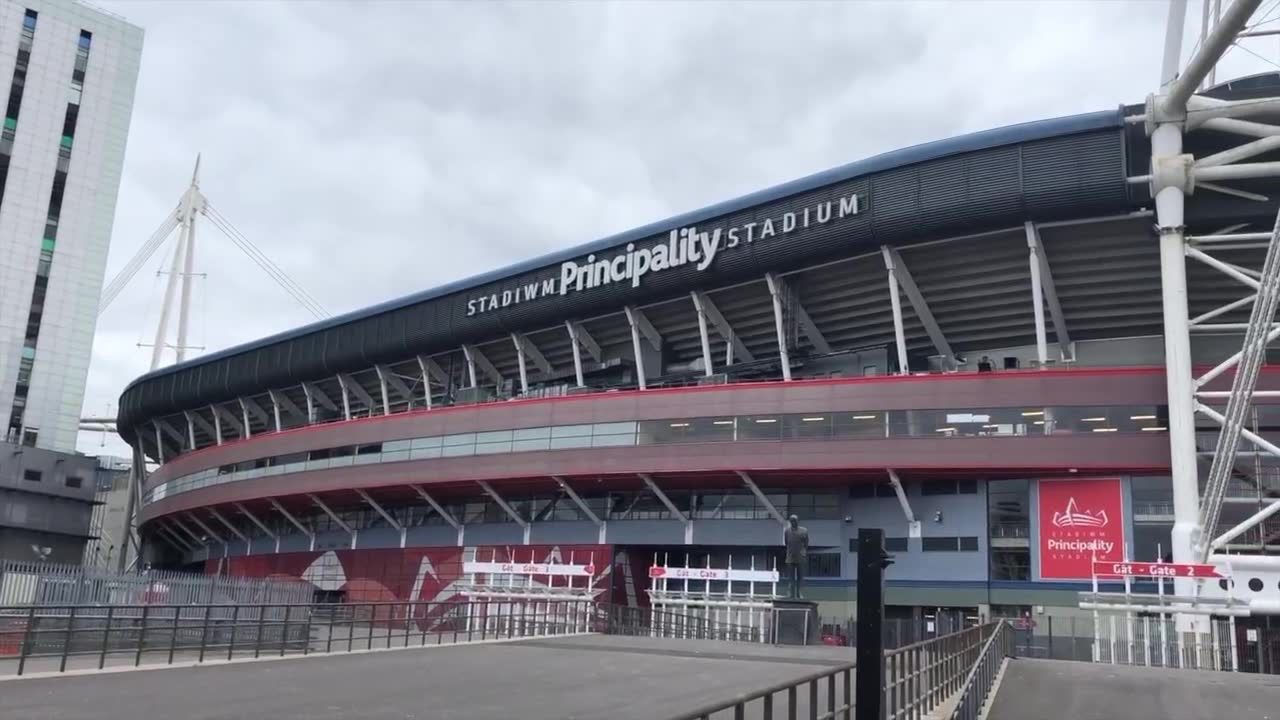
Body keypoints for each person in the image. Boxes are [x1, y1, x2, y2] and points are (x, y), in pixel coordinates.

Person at [783, 514, 809, 599]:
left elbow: (806, 544)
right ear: (790, 522)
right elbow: (786, 542)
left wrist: (803, 552)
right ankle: (790, 593)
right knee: (790, 578)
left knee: (800, 577)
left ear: (797, 521)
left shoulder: (804, 531)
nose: (793, 522)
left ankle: (799, 593)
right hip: (790, 557)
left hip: (800, 557)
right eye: (792, 521)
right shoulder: (787, 531)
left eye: (795, 520)